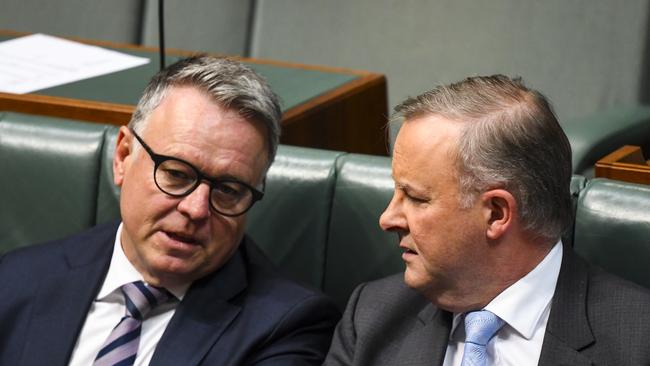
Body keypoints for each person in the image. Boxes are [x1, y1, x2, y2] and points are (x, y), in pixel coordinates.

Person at [0, 56, 339, 365]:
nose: (195, 209)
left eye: (227, 190)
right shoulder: (18, 280)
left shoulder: (287, 327)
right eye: (177, 174)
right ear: (122, 157)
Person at [324, 75, 650, 365]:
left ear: (496, 213)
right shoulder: (371, 317)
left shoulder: (637, 341)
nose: (387, 218)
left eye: (417, 198)